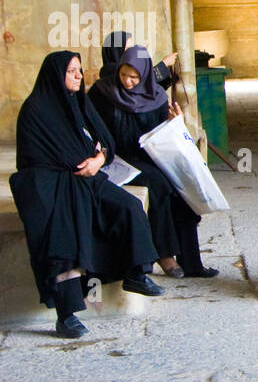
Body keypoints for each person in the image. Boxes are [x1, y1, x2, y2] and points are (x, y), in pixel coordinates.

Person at [10, 51, 164, 339]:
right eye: (72, 71)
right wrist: (85, 159)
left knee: (129, 206)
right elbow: (50, 155)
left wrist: (98, 159)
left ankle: (135, 274)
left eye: (80, 70)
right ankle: (66, 316)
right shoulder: (36, 109)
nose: (79, 76)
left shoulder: (80, 103)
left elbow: (107, 141)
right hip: (52, 183)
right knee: (63, 233)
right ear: (56, 74)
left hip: (88, 177)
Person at [90, 45, 219, 280]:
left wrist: (176, 122)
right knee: (160, 186)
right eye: (123, 75)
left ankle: (192, 262)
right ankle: (164, 255)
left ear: (145, 75)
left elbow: (163, 134)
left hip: (151, 156)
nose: (128, 82)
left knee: (183, 191)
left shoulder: (157, 97)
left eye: (134, 77)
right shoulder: (103, 92)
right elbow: (89, 125)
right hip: (118, 158)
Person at [101, 30, 176, 87]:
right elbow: (143, 81)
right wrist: (164, 64)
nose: (132, 52)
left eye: (133, 48)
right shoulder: (110, 72)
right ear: (116, 51)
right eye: (128, 48)